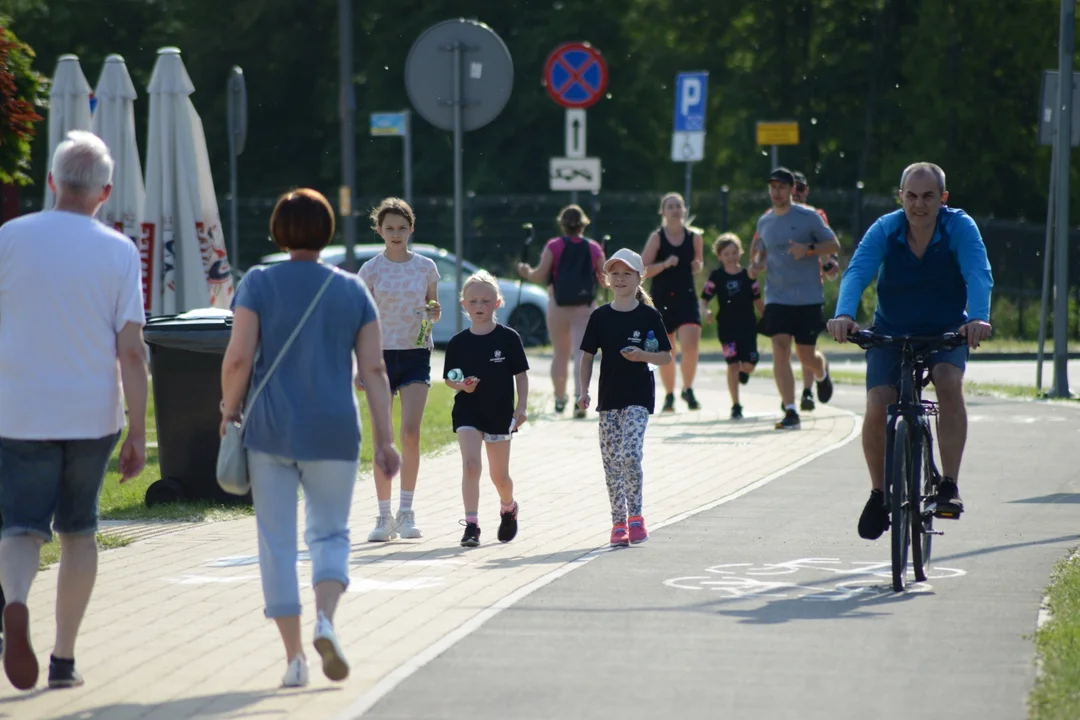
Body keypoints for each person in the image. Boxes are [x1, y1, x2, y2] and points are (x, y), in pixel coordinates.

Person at [222, 188, 400, 687]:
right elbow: (375, 369)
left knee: (276, 543)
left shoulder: (257, 282)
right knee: (330, 533)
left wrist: (228, 411)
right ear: (327, 232)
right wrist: (386, 440)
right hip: (334, 428)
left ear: (279, 230)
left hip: (271, 430)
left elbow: (237, 358)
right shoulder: (352, 291)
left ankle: (294, 659)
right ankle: (326, 619)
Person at [0, 130, 148, 690]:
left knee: (19, 527)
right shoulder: (117, 250)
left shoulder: (9, 238)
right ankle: (63, 659)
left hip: (17, 409)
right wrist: (137, 427)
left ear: (51, 181)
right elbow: (130, 350)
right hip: (90, 413)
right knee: (79, 531)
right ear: (105, 192)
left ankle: (15, 601)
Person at [826, 162, 993, 540]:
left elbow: (978, 273)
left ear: (943, 199)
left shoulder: (959, 227)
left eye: (928, 196)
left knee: (948, 380)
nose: (919, 204)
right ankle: (879, 493)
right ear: (900, 197)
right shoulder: (886, 228)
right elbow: (857, 272)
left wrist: (978, 318)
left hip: (946, 330)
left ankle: (948, 484)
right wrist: (844, 314)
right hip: (891, 329)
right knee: (878, 401)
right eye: (911, 196)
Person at [357, 198, 441, 542]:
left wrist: (432, 312)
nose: (396, 234)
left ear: (411, 229)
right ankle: (383, 516)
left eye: (402, 228)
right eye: (389, 228)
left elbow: (435, 308)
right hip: (378, 357)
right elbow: (359, 320)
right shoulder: (370, 271)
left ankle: (407, 513)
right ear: (379, 230)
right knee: (383, 439)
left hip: (415, 355)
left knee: (409, 433)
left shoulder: (426, 267)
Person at [578, 248, 673, 547]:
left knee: (630, 455)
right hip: (608, 399)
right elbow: (586, 357)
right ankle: (618, 523)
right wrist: (584, 391)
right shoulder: (600, 317)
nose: (620, 279)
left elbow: (666, 358)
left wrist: (642, 355)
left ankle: (637, 518)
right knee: (611, 463)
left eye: (627, 274)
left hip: (638, 397)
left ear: (639, 277)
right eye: (615, 274)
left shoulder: (648, 315)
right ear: (607, 279)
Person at [443, 271, 529, 548]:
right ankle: (471, 526)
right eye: (473, 301)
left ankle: (508, 506)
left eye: (485, 300)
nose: (479, 306)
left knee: (499, 477)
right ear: (463, 305)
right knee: (470, 466)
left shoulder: (508, 338)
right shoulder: (457, 343)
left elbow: (521, 376)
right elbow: (449, 378)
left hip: (499, 414)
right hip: (468, 411)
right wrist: (461, 386)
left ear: (498, 303)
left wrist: (522, 408)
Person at [750, 168, 840, 430]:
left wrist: (809, 249)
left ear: (792, 189)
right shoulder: (764, 222)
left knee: (806, 356)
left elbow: (834, 246)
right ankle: (790, 409)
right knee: (779, 347)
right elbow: (760, 253)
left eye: (781, 187)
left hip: (807, 297)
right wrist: (756, 265)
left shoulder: (809, 217)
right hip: (777, 297)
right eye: (772, 187)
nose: (776, 192)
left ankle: (821, 373)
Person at [517, 205, 605, 419]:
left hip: (558, 305)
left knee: (560, 354)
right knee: (581, 354)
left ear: (562, 224)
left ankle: (559, 398)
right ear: (583, 224)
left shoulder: (554, 246)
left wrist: (525, 271)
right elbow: (605, 279)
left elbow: (539, 275)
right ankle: (579, 398)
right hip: (585, 306)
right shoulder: (593, 248)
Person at [641, 192, 705, 413]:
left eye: (678, 206)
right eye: (670, 206)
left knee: (691, 344)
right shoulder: (657, 237)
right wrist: (665, 264)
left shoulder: (694, 237)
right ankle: (669, 395)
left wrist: (697, 266)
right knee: (667, 349)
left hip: (686, 295)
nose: (675, 210)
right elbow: (643, 270)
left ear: (684, 210)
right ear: (663, 212)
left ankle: (687, 388)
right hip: (661, 297)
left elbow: (698, 263)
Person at [699, 233, 764, 420]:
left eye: (734, 252)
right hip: (726, 328)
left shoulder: (748, 275)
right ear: (720, 256)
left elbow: (758, 300)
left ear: (740, 253)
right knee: (732, 364)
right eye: (726, 253)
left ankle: (745, 372)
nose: (731, 257)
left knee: (749, 364)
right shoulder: (716, 276)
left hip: (748, 327)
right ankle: (736, 404)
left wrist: (769, 317)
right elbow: (704, 299)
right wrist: (706, 312)